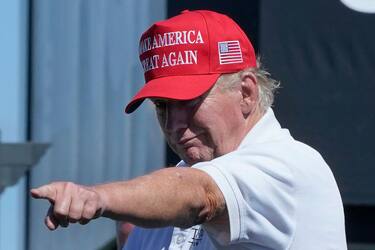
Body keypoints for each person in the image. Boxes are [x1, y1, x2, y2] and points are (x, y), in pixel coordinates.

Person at [31, 10, 347, 250]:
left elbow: (200, 194)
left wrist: (99, 197)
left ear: (246, 93)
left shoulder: (287, 166)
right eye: (162, 106)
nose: (173, 124)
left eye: (188, 101)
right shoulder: (151, 214)